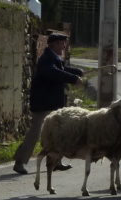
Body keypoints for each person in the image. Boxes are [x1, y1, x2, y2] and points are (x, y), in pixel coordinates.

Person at [12, 32, 85, 174]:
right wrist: (73, 78)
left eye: (64, 43)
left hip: (52, 104)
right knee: (35, 133)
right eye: (61, 43)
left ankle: (55, 162)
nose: (64, 46)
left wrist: (77, 72)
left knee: (56, 134)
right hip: (43, 104)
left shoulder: (53, 58)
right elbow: (53, 72)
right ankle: (19, 162)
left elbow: (61, 70)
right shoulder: (46, 59)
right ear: (53, 44)